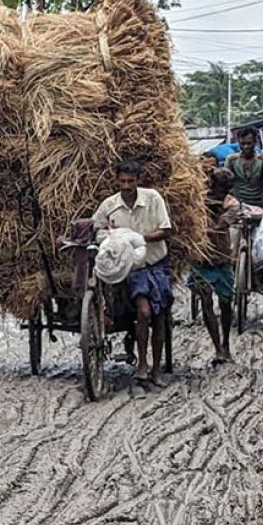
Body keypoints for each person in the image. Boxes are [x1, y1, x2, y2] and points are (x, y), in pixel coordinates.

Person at [92, 159, 173, 388]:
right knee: (144, 311)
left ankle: (156, 368)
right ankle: (143, 364)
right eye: (122, 181)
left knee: (159, 316)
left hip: (156, 263)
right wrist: (111, 239)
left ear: (138, 180)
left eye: (131, 181)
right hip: (131, 270)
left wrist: (137, 237)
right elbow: (97, 229)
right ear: (117, 181)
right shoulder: (109, 205)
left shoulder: (153, 199)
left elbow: (165, 230)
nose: (126, 185)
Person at [188, 167, 243, 364]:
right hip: (200, 259)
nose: (213, 193)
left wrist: (197, 225)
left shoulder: (231, 204)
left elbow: (219, 226)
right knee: (206, 301)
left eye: (218, 191)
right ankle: (218, 347)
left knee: (226, 302)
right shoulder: (199, 198)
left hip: (221, 258)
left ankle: (226, 343)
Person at [226, 129, 263, 211]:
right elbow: (226, 183)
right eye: (242, 144)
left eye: (249, 143)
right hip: (238, 204)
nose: (246, 147)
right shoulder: (231, 159)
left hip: (259, 203)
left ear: (255, 142)